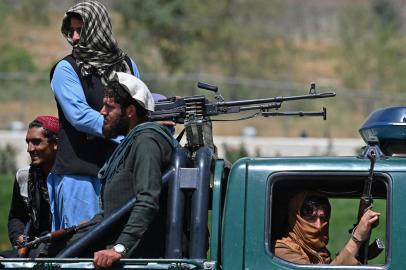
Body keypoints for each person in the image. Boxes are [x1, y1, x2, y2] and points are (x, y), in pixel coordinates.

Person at [50, 73, 176, 266]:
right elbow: (117, 207)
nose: (101, 112)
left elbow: (148, 200)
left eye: (109, 107)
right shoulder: (132, 142)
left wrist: (120, 248)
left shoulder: (147, 141)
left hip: (136, 257)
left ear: (130, 111)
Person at [48, 0, 141, 230]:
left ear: (98, 28)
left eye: (81, 30)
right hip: (80, 178)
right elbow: (79, 115)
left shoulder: (127, 65)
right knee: (82, 248)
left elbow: (139, 107)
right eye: (72, 31)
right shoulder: (66, 69)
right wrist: (123, 135)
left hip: (119, 177)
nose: (75, 38)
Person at [0, 116, 59, 258]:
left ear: (55, 144)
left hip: (61, 247)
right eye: (28, 142)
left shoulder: (70, 179)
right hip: (33, 246)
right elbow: (16, 216)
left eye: (37, 142)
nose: (30, 149)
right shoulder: (23, 176)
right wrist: (19, 236)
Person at [274, 191, 380, 265]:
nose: (318, 225)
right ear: (296, 218)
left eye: (323, 218)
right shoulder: (281, 250)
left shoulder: (319, 251)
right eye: (311, 218)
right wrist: (357, 236)